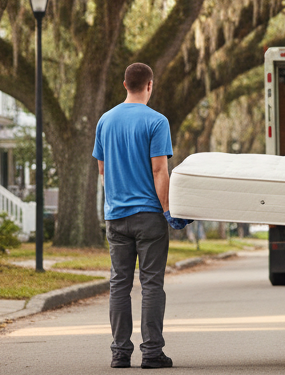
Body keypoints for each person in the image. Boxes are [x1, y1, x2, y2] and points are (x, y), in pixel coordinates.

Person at [93, 62, 189, 369]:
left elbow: (103, 169)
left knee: (119, 284)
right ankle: (151, 352)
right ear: (150, 85)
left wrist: (115, 203)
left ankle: (120, 353)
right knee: (151, 284)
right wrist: (168, 209)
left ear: (125, 85)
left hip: (116, 217)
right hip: (148, 216)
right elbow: (160, 169)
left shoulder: (105, 121)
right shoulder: (157, 121)